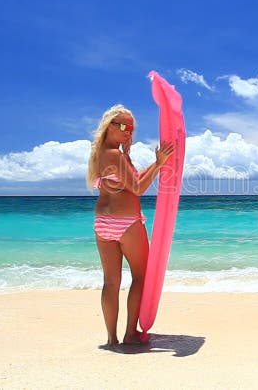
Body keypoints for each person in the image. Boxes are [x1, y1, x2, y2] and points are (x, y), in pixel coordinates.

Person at [86, 104, 174, 346]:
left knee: (111, 281)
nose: (128, 132)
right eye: (123, 126)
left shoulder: (101, 154)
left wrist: (133, 156)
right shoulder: (114, 154)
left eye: (131, 129)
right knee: (141, 276)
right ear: (108, 126)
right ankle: (130, 334)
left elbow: (128, 182)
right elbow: (138, 188)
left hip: (102, 223)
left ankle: (111, 338)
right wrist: (159, 164)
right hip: (125, 222)